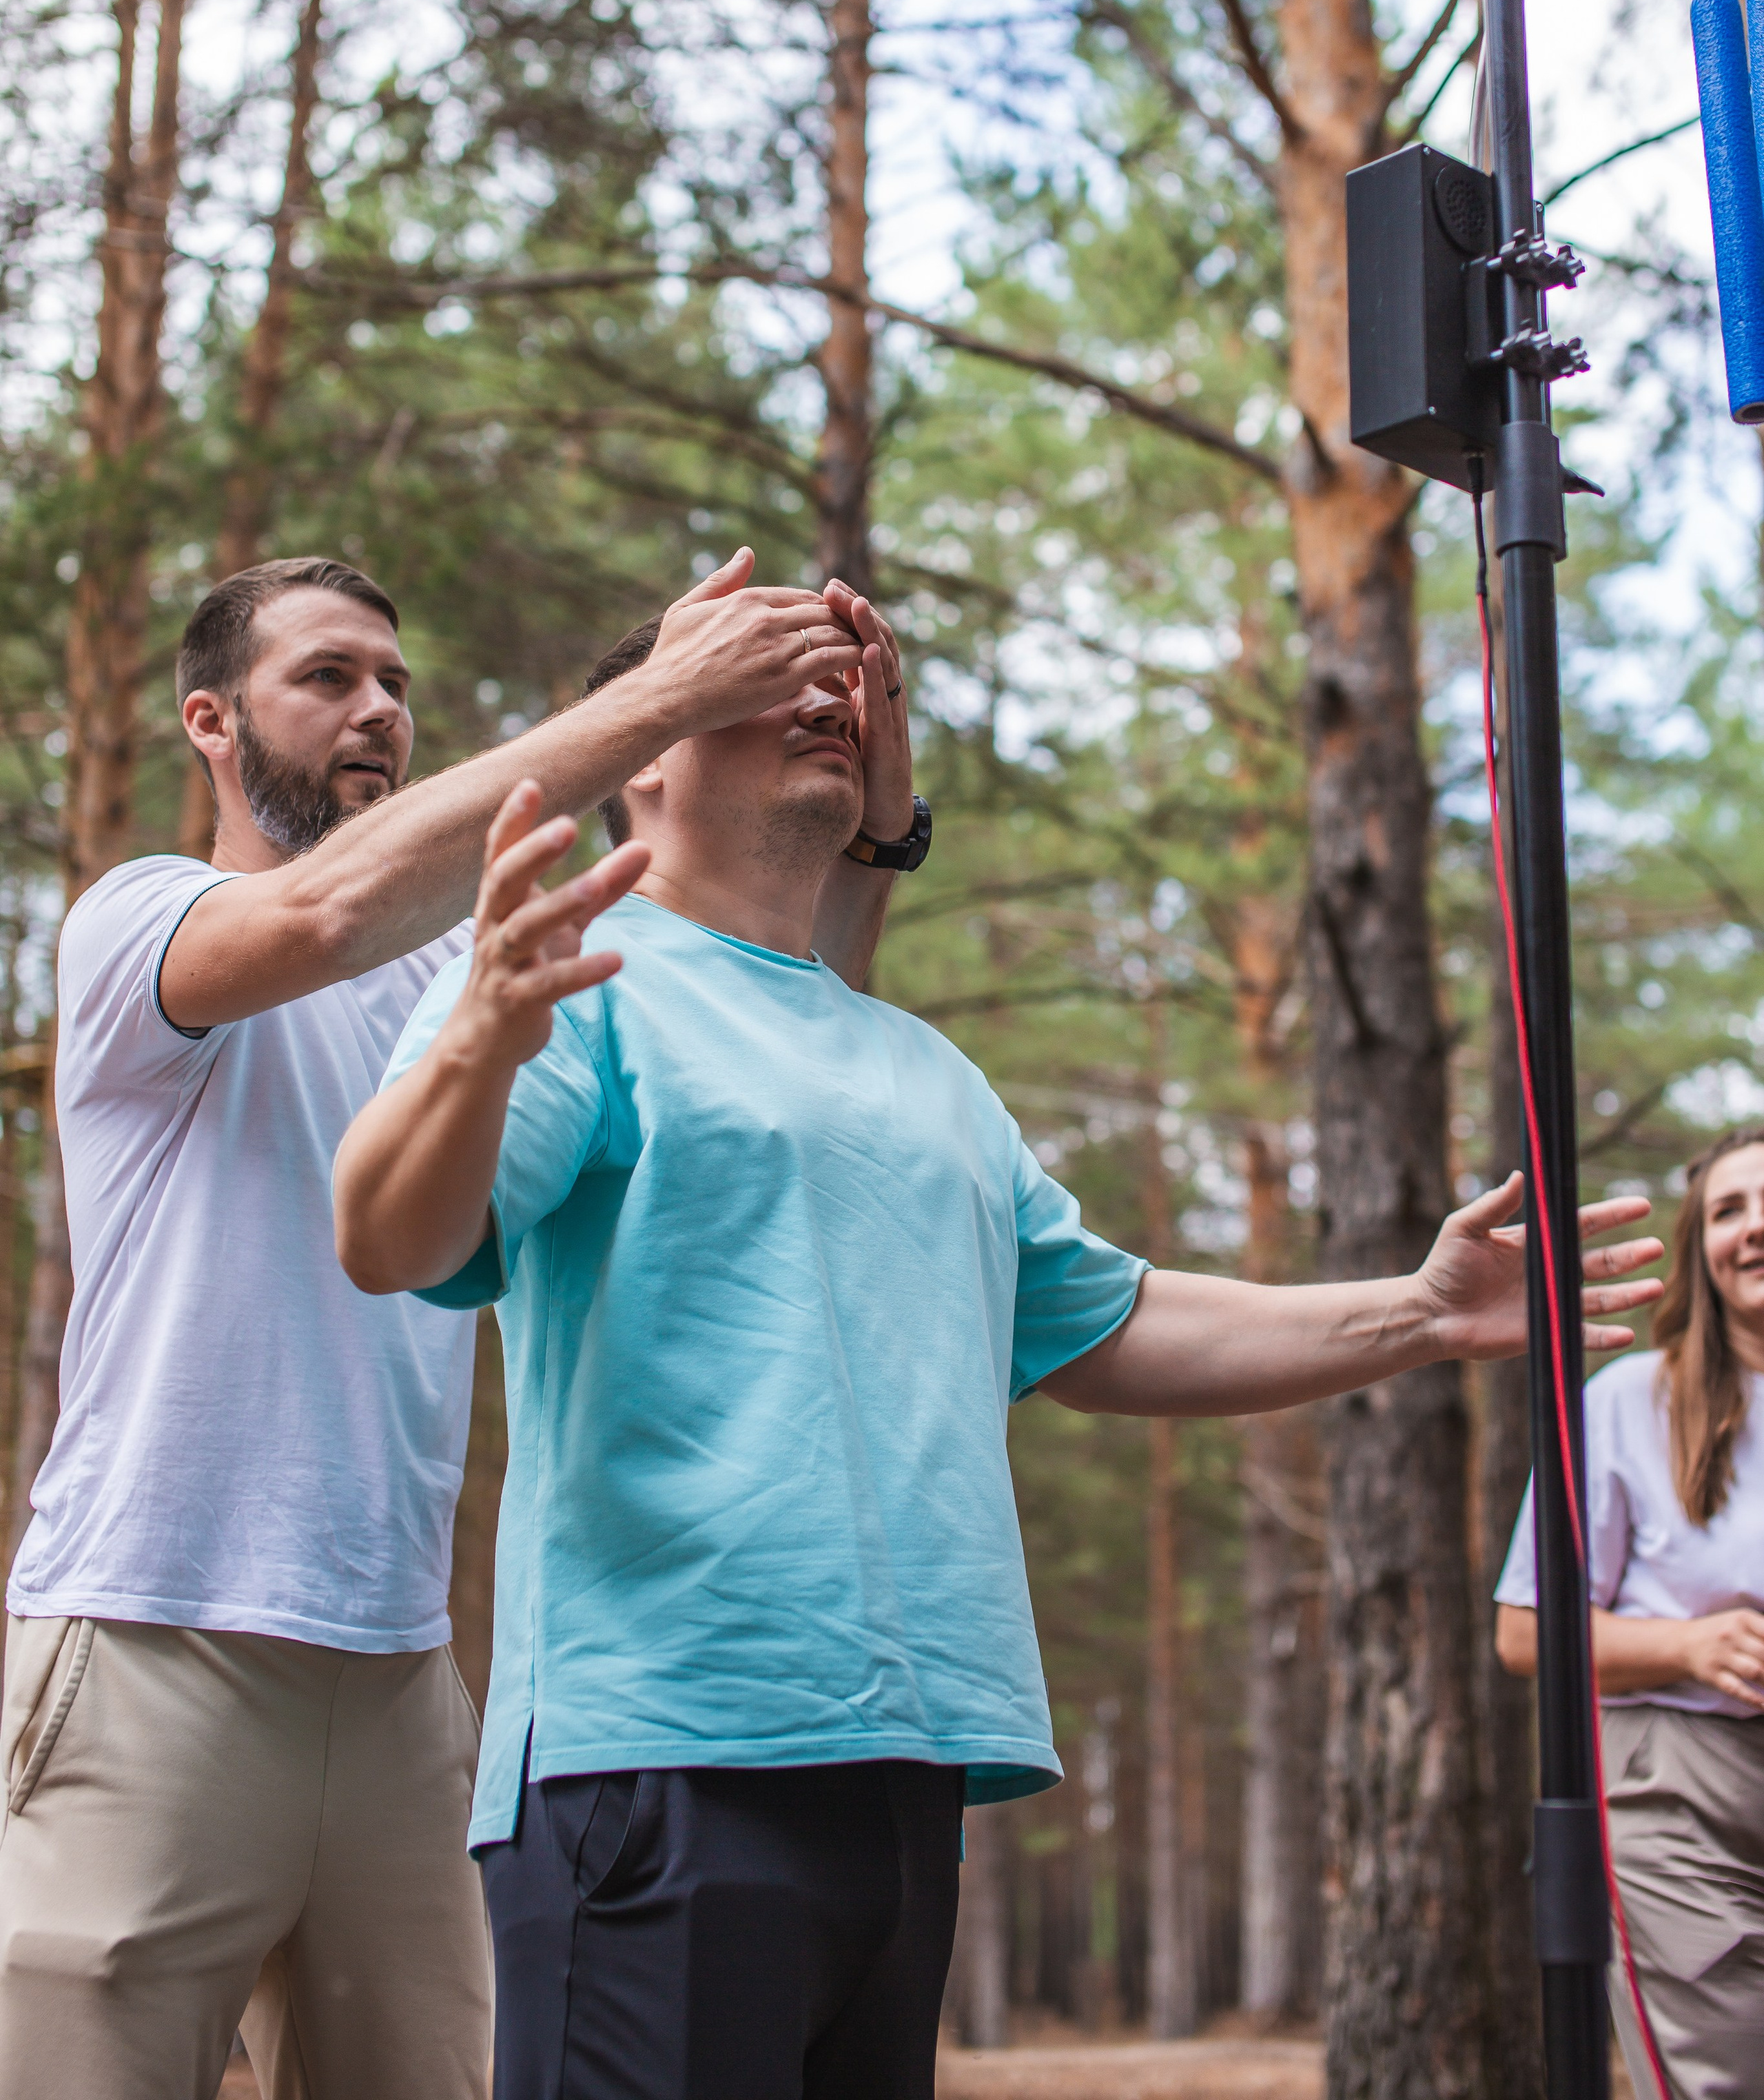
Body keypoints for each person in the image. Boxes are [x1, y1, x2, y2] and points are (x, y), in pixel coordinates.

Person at [334, 609, 1663, 2100]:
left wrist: (1416, 1311)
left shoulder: (925, 1073)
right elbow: (391, 1241)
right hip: (659, 1763)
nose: (827, 702)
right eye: (761, 685)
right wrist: (471, 1046)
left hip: (913, 1775)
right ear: (641, 756)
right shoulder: (572, 986)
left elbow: (1113, 1321)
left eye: (841, 685)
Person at [0, 547, 908, 2100]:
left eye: (398, 686)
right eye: (329, 678)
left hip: (410, 1683)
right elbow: (328, 910)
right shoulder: (141, 923)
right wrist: (661, 696)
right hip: (154, 1638)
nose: (377, 712)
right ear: (210, 723)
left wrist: (872, 805)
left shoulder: (482, 974)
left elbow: (791, 974)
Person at [1496, 1121, 1764, 2100]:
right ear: (1701, 1248)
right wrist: (1689, 1645)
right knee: (1725, 2078)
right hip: (1678, 1789)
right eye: (1731, 1209)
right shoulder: (1625, 1406)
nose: (1755, 1227)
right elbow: (1525, 1633)